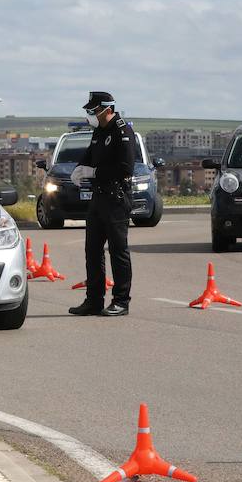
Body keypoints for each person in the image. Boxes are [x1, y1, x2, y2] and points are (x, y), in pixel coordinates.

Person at [68, 91, 136, 318]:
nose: (90, 115)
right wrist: (79, 168)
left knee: (118, 251)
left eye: (93, 111)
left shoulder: (122, 130)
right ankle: (94, 300)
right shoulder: (99, 131)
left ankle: (121, 301)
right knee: (93, 250)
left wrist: (95, 171)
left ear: (107, 109)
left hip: (116, 197)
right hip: (98, 197)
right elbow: (90, 154)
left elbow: (126, 168)